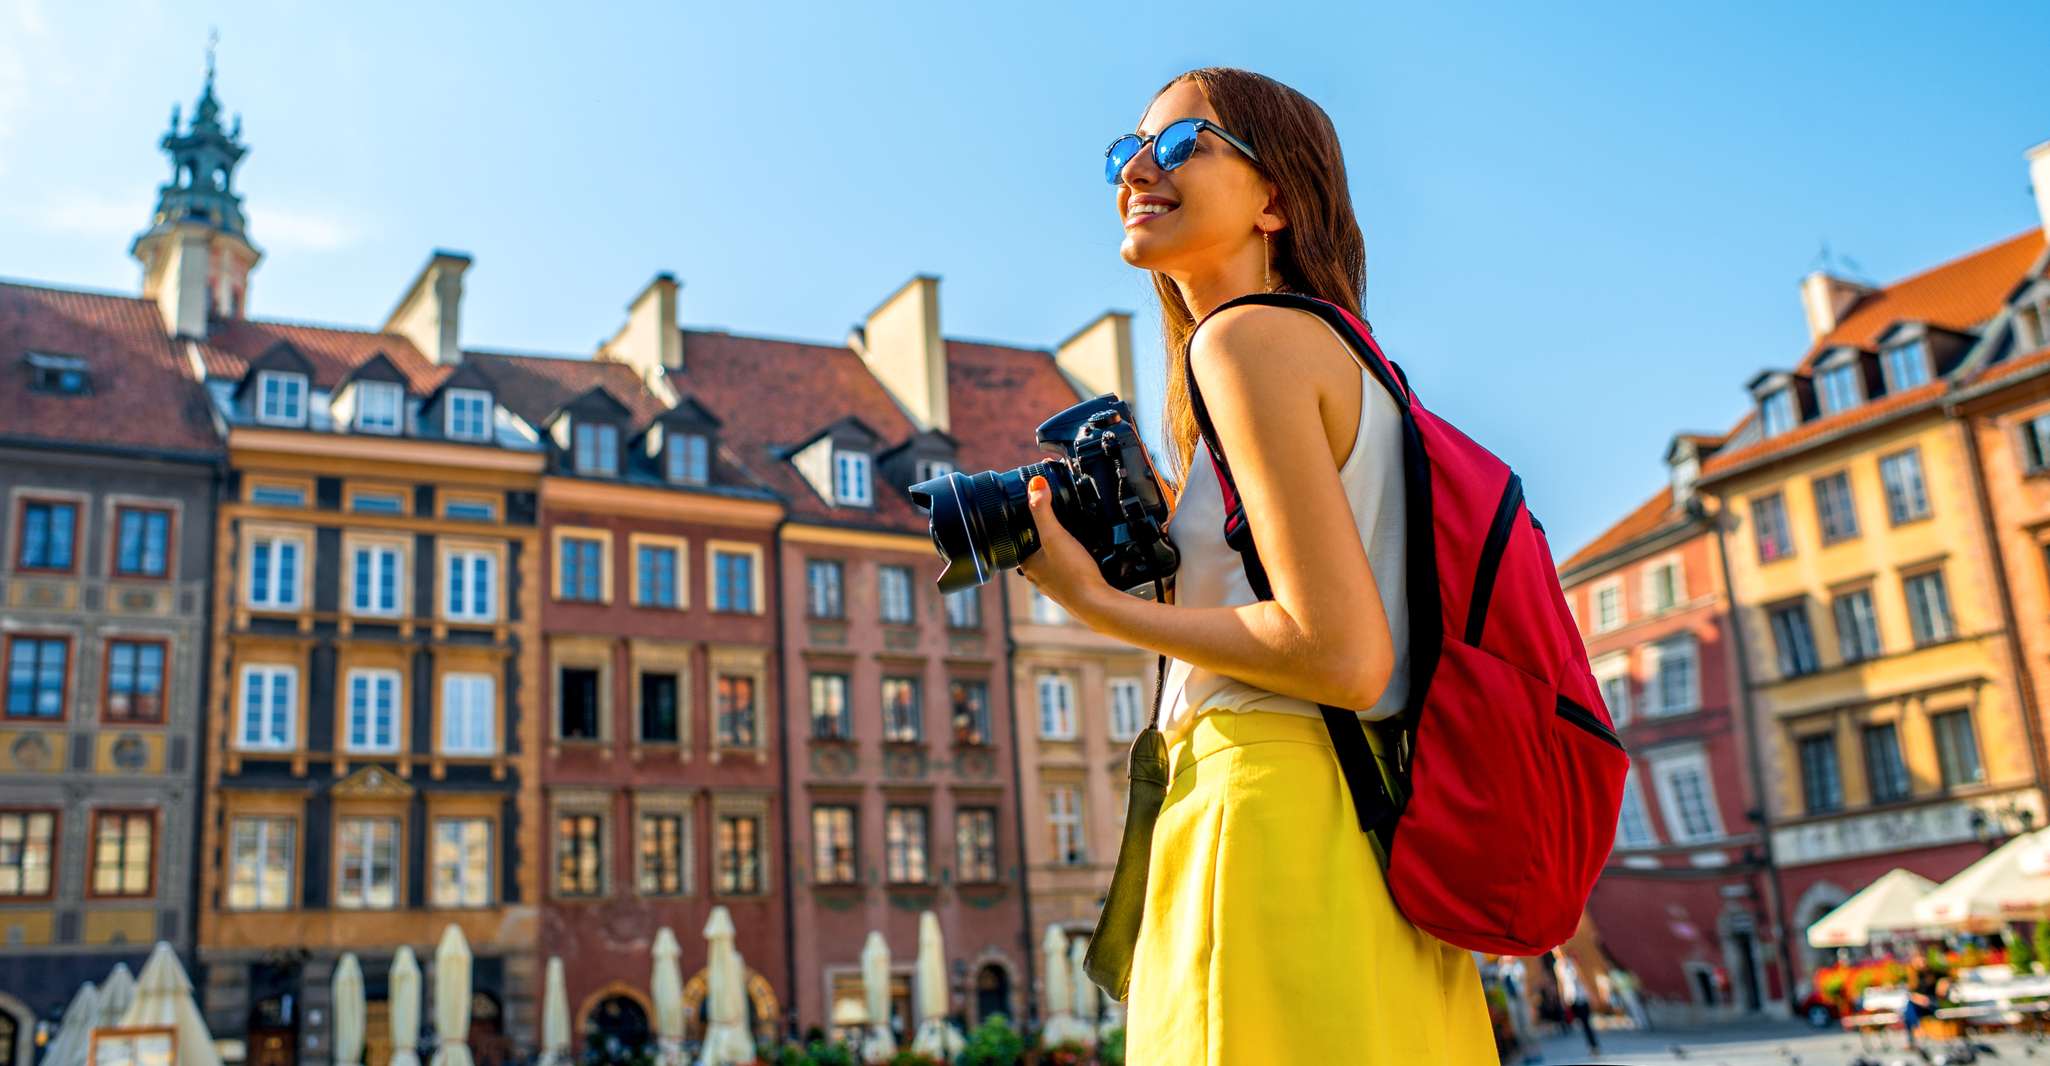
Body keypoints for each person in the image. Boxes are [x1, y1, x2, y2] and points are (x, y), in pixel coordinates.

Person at [1015, 66, 1494, 1063]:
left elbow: (1338, 653)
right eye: (1127, 150)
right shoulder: (1347, 358)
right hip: (1364, 830)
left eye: (1180, 145)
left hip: (1263, 821)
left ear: (1274, 198)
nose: (1137, 169)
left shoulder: (1243, 343)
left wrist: (1092, 602)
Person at [1550, 950, 1600, 1056]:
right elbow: (1560, 983)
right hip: (1570, 997)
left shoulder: (1572, 962)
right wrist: (1562, 998)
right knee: (1575, 1020)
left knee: (1586, 1022)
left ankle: (1593, 1046)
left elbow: (1582, 978)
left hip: (1581, 995)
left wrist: (1591, 994)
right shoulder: (1557, 966)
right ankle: (1589, 1044)